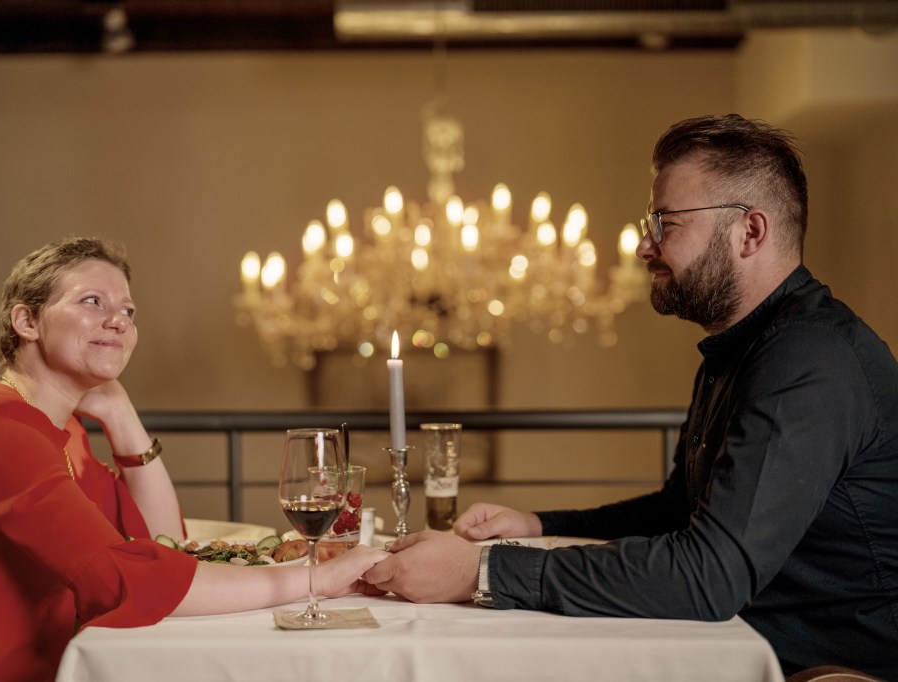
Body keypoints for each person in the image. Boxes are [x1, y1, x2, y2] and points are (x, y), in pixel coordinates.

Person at [364, 114, 898, 679]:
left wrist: (483, 570)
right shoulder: (742, 350)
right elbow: (678, 511)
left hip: (832, 669)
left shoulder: (809, 360)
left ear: (751, 231)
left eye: (665, 223)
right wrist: (536, 525)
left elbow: (708, 576)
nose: (645, 245)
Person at [0, 237, 386, 681]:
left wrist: (122, 416)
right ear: (27, 321)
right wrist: (312, 580)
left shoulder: (60, 429)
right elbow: (125, 580)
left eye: (128, 310)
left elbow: (161, 541)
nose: (117, 320)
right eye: (92, 301)